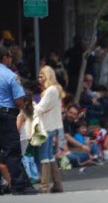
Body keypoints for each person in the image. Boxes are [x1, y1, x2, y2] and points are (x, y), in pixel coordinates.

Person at [0, 45, 37, 194]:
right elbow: (19, 100)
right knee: (12, 151)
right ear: (5, 58)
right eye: (9, 57)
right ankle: (19, 184)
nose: (11, 60)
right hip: (6, 115)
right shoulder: (10, 76)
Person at [33, 65, 65, 193]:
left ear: (47, 76)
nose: (39, 79)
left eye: (41, 76)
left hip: (46, 126)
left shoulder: (51, 90)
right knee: (50, 155)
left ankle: (44, 185)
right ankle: (57, 184)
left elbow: (40, 108)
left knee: (44, 156)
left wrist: (31, 104)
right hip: (53, 126)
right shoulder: (56, 89)